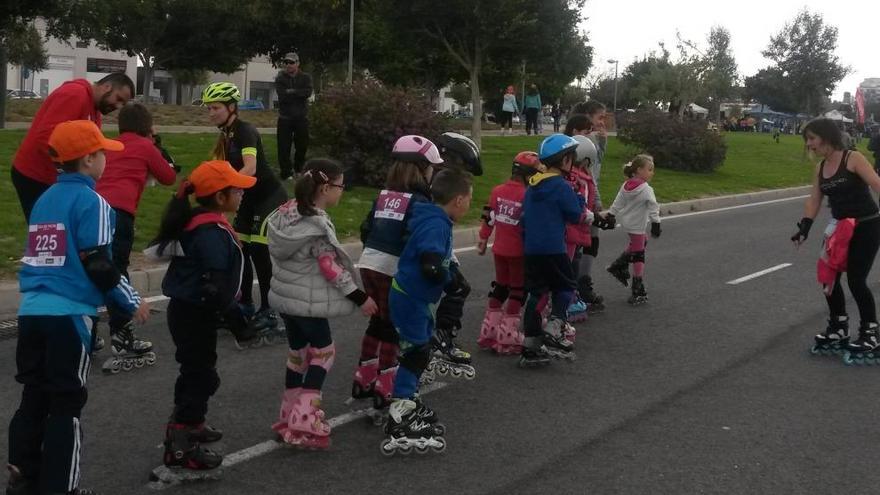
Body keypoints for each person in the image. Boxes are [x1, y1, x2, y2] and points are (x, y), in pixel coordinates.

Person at [7, 120, 149, 495]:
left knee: (33, 396)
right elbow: (98, 263)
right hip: (68, 315)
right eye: (102, 153)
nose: (105, 159)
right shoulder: (94, 202)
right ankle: (60, 486)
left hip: (32, 310)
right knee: (66, 404)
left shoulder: (45, 199)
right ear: (88, 159)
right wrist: (131, 300)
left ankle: (23, 477)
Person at [150, 160, 257, 471]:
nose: (242, 194)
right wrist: (237, 320)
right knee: (202, 375)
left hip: (191, 310)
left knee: (196, 370)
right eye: (237, 189)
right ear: (221, 197)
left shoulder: (201, 221)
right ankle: (182, 443)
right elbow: (214, 286)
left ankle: (191, 421)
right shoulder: (209, 231)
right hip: (194, 311)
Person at [267, 159, 377, 449]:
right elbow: (331, 269)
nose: (343, 191)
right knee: (324, 353)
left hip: (285, 299)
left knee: (297, 354)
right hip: (307, 303)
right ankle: (305, 415)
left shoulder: (285, 212)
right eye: (341, 186)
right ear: (326, 188)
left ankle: (288, 412)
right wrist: (360, 297)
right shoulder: (316, 224)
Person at [381, 167, 473, 456]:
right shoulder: (437, 225)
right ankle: (401, 409)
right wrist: (448, 279)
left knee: (417, 351)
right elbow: (431, 264)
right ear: (458, 200)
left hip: (411, 295)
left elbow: (438, 256)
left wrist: (454, 271)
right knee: (417, 353)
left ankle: (407, 399)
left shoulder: (434, 218)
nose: (470, 203)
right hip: (411, 297)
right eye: (470, 198)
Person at [350, 135, 442, 420]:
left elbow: (366, 229)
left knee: (377, 321)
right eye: (430, 168)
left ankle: (364, 375)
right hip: (393, 267)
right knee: (393, 326)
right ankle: (386, 383)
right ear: (421, 168)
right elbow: (414, 236)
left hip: (369, 263)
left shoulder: (384, 195)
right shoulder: (419, 201)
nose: (432, 173)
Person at [95, 102, 177, 373]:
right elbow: (167, 176)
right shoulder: (145, 146)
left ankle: (87, 332)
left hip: (94, 210)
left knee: (94, 270)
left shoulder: (109, 144)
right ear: (147, 127)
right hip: (120, 214)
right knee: (117, 271)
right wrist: (154, 144)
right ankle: (122, 334)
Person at [202, 82, 288, 340]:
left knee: (260, 252)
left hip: (268, 196)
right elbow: (216, 166)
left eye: (215, 108)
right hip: (248, 199)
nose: (211, 113)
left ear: (231, 107)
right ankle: (246, 304)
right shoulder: (225, 135)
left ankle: (270, 311)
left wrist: (225, 186)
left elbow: (249, 168)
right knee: (240, 250)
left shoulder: (245, 131)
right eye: (209, 108)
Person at [791, 118, 880, 365]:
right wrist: (804, 227)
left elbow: (876, 184)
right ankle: (839, 326)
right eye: (806, 140)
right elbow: (814, 200)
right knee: (828, 279)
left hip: (867, 224)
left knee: (856, 280)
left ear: (826, 137)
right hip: (840, 228)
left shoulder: (852, 158)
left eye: (812, 138)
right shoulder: (820, 168)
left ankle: (871, 332)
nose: (809, 144)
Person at [12, 73, 134, 222]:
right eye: (119, 98)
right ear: (107, 87)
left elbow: (91, 149)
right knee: (48, 230)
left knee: (61, 229)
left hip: (57, 178)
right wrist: (71, 173)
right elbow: (46, 137)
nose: (119, 106)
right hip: (35, 174)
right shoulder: (75, 94)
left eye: (123, 103)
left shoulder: (95, 111)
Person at [519, 134, 585, 367]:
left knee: (537, 294)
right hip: (554, 248)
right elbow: (575, 216)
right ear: (565, 160)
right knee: (566, 286)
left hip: (532, 250)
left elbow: (524, 218)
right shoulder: (561, 186)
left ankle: (530, 344)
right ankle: (555, 326)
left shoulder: (532, 185)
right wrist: (580, 198)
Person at [476, 151, 541, 355]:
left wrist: (483, 238)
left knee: (501, 287)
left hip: (500, 249)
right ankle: (507, 335)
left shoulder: (497, 190)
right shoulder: (527, 195)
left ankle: (489, 330)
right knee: (517, 290)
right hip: (519, 252)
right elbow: (530, 225)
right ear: (530, 174)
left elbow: (489, 216)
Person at [602, 155, 661, 305]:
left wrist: (611, 214)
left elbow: (618, 201)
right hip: (638, 226)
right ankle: (637, 288)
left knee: (641, 243)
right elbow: (653, 207)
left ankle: (619, 265)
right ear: (639, 170)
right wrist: (656, 223)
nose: (652, 173)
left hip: (627, 223)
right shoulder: (646, 189)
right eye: (649, 169)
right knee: (639, 254)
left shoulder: (626, 185)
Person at [274, 52, 313, 180]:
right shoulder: (280, 78)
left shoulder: (305, 77)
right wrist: (298, 93)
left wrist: (292, 92)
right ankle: (286, 172)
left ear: (297, 63)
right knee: (283, 146)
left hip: (301, 118)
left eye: (291, 62)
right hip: (285, 117)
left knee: (302, 145)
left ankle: (298, 169)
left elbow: (307, 92)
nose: (288, 65)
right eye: (286, 62)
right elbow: (282, 95)